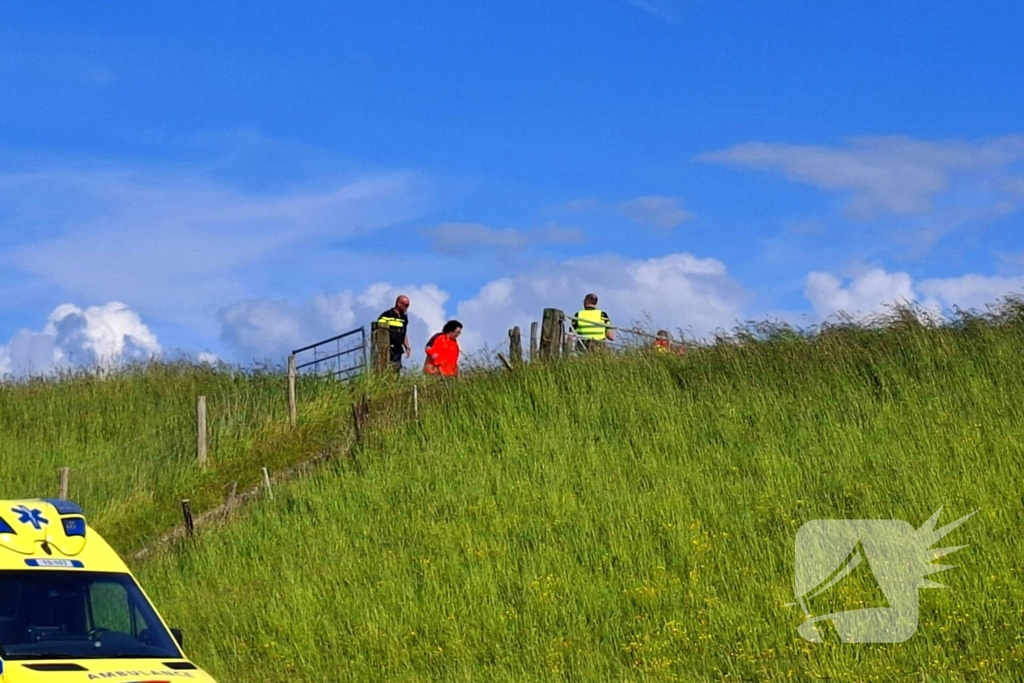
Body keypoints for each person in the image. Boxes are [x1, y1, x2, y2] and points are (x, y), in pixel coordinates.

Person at [376, 295, 412, 371]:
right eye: (406, 305)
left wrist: (407, 347)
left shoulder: (404, 318)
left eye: (408, 305)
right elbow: (378, 331)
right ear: (399, 304)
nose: (407, 308)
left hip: (398, 349)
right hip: (386, 349)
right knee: (384, 369)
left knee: (396, 370)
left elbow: (403, 333)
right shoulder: (386, 315)